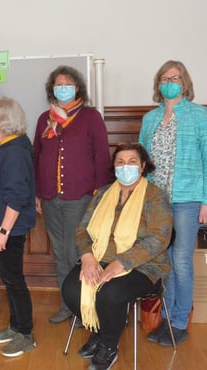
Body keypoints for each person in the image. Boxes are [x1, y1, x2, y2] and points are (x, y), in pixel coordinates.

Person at [62, 143, 172, 370]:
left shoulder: (155, 196)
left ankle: (108, 346)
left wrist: (121, 263)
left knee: (109, 294)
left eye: (132, 162)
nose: (126, 167)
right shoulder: (102, 193)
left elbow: (158, 239)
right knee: (71, 289)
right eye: (120, 162)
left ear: (142, 166)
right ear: (114, 166)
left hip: (144, 265)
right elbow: (82, 230)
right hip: (99, 257)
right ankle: (102, 333)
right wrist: (87, 257)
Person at [139, 60, 207, 347]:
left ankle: (179, 322)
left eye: (175, 77)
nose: (169, 81)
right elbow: (141, 162)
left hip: (187, 201)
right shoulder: (150, 119)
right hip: (156, 202)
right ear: (158, 84)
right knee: (165, 264)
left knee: (182, 262)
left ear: (184, 83)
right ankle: (168, 321)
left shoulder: (200, 115)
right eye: (164, 78)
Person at [33, 65, 111, 325]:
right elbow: (37, 156)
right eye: (58, 83)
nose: (62, 87)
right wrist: (37, 193)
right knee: (59, 253)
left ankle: (84, 307)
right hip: (49, 197)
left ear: (77, 87)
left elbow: (101, 157)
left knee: (76, 252)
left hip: (80, 197)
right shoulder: (46, 118)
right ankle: (68, 305)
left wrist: (100, 196)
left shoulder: (91, 117)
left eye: (67, 83)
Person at [0, 98, 37, 357]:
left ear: (2, 121)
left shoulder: (15, 150)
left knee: (14, 281)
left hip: (9, 229)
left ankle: (25, 333)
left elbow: (16, 196)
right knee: (9, 280)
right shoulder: (4, 145)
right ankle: (15, 327)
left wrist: (2, 231)